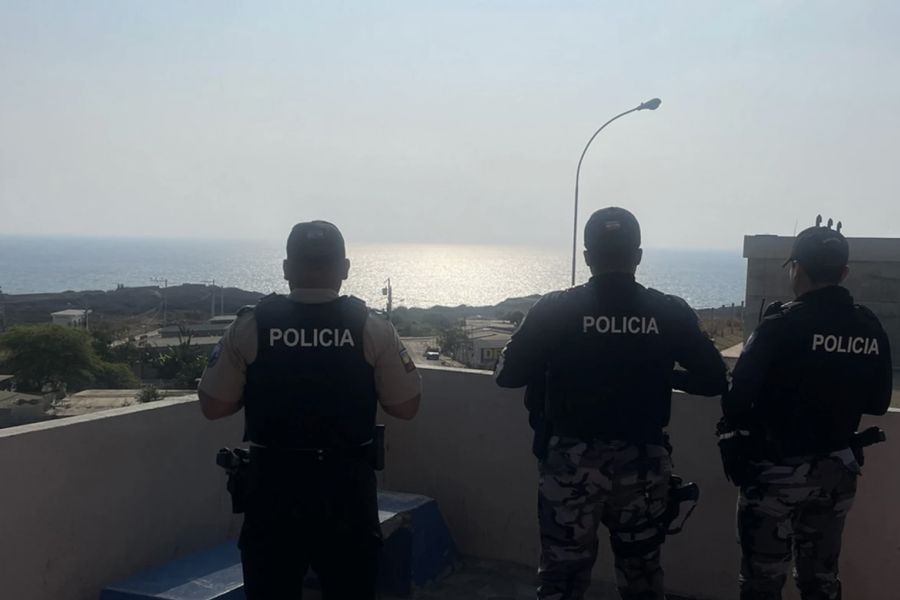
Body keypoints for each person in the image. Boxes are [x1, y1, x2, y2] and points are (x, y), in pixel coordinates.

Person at [495, 206, 728, 600]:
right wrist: (662, 375)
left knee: (561, 581)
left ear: (588, 257)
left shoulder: (556, 308)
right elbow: (715, 379)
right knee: (642, 577)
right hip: (643, 465)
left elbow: (506, 374)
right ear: (637, 256)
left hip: (570, 465)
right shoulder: (667, 310)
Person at [198, 220, 422, 600]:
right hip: (347, 490)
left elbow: (214, 406)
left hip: (274, 490)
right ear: (344, 268)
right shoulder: (372, 327)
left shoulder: (252, 326)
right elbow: (406, 406)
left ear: (287, 268)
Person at [722, 220, 892, 600]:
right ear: (843, 273)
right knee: (821, 581)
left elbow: (735, 400)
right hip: (835, 471)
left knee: (762, 583)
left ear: (796, 268)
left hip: (775, 472)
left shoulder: (780, 325)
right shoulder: (868, 326)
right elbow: (878, 402)